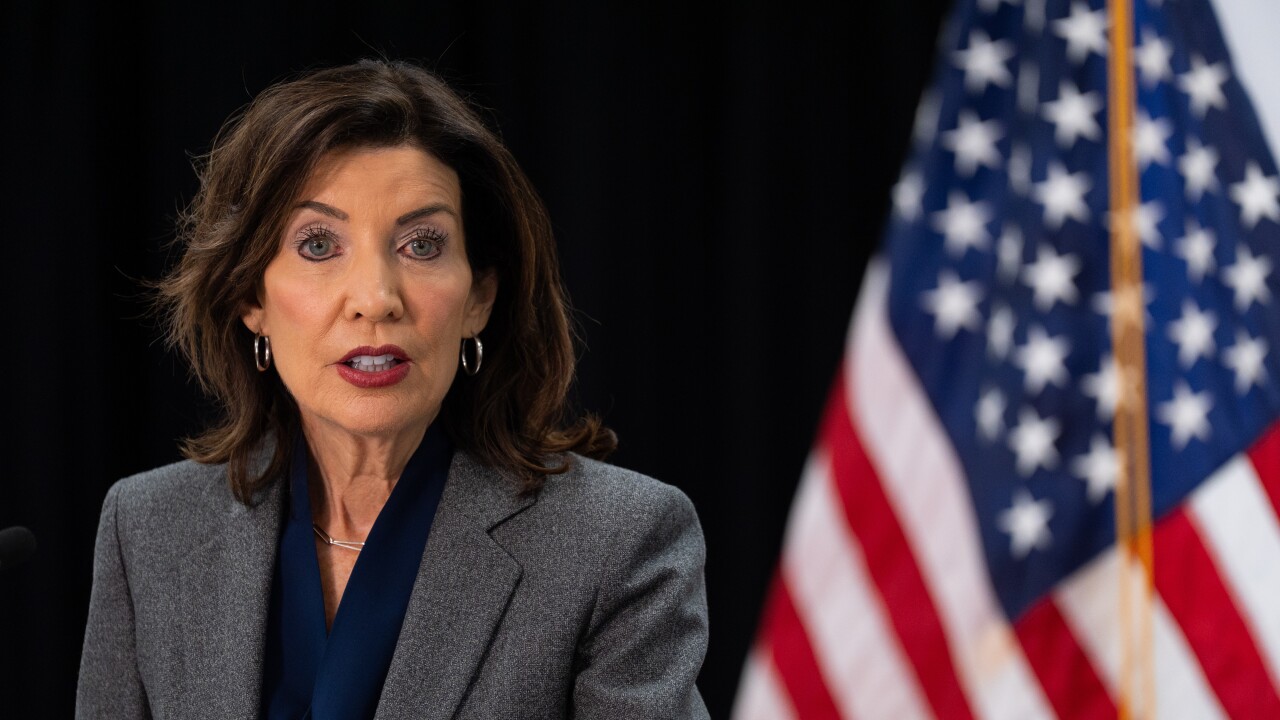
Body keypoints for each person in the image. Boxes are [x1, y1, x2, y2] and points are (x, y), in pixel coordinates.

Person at [76, 60, 709, 719]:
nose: (376, 300)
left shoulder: (617, 542)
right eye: (319, 244)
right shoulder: (149, 529)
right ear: (249, 296)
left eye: (422, 244)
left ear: (479, 299)